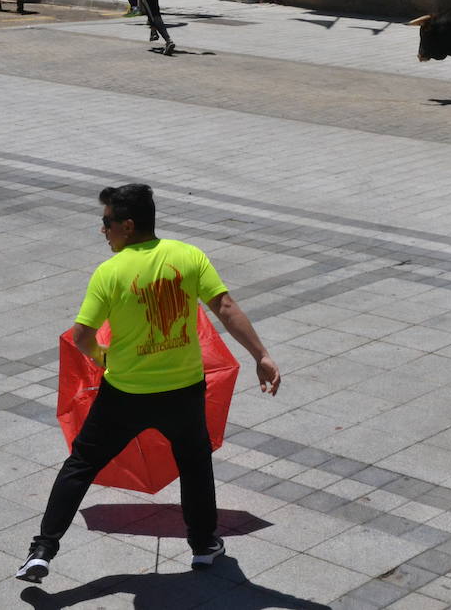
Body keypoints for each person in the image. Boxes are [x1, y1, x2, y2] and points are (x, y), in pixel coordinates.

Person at [16, 183, 280, 584]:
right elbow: (225, 307)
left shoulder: (110, 272)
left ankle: (42, 551)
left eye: (106, 223)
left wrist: (104, 360)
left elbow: (82, 337)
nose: (102, 230)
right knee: (194, 464)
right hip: (184, 392)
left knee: (81, 465)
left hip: (124, 394)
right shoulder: (188, 257)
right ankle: (204, 546)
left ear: (127, 224)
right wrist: (261, 355)